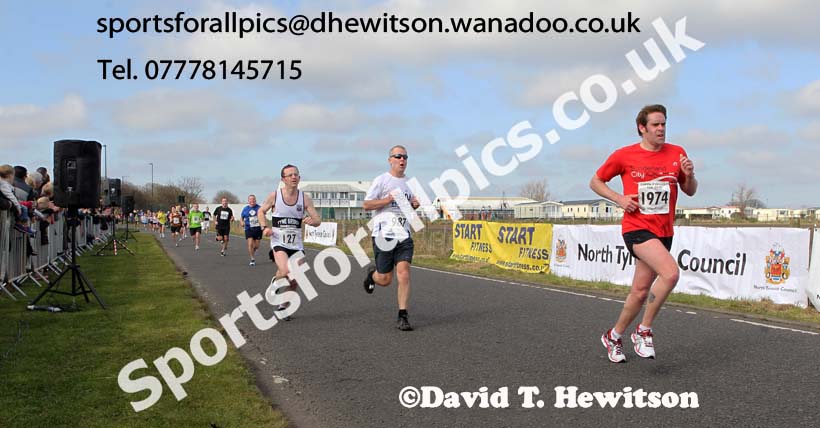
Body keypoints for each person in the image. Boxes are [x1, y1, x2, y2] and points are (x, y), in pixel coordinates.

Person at [590, 104, 697, 363]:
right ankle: (643, 331)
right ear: (642, 128)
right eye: (655, 125)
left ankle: (614, 336)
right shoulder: (624, 155)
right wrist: (619, 199)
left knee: (639, 292)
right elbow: (595, 181)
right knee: (670, 273)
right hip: (637, 227)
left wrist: (689, 175)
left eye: (664, 124)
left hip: (664, 231)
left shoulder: (677, 153)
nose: (661, 129)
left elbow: (690, 191)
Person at [361, 145, 421, 331]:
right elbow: (366, 204)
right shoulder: (382, 180)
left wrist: (414, 205)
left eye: (405, 157)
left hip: (404, 236)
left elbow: (410, 208)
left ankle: (403, 315)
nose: (402, 160)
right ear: (390, 160)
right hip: (383, 236)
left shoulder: (411, 183)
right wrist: (387, 200)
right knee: (385, 280)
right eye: (398, 156)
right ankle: (372, 275)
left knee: (404, 273)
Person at [259, 165, 321, 319]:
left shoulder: (304, 198)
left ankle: (283, 307)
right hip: (278, 241)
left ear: (299, 178)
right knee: (286, 271)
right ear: (283, 179)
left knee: (294, 280)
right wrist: (264, 227)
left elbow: (317, 220)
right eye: (290, 175)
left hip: (296, 244)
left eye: (296, 174)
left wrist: (312, 221)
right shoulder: (275, 196)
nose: (294, 177)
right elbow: (261, 211)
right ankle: (277, 281)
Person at [240, 195, 263, 266]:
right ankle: (252, 259)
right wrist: (242, 222)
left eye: (253, 199)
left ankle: (255, 249)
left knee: (256, 246)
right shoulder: (245, 209)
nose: (252, 200)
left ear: (255, 200)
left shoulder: (259, 208)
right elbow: (241, 217)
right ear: (248, 200)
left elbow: (263, 216)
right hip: (248, 228)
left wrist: (263, 225)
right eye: (250, 199)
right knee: (250, 244)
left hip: (258, 229)